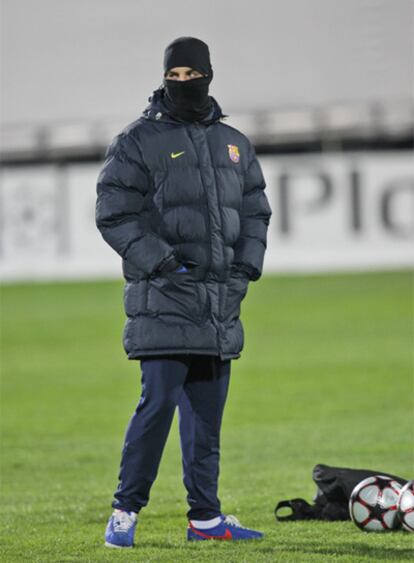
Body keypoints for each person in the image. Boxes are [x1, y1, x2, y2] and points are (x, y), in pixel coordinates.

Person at [95, 36, 272, 548]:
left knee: (207, 419)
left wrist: (245, 270)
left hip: (219, 303)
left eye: (191, 76)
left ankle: (206, 519)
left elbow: (256, 211)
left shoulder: (233, 142)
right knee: (157, 406)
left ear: (208, 76)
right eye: (174, 77)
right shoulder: (138, 141)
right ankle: (124, 513)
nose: (182, 85)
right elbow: (113, 211)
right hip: (165, 299)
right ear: (163, 78)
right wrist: (163, 262)